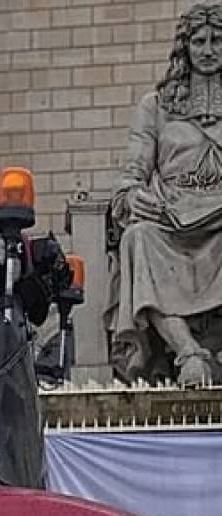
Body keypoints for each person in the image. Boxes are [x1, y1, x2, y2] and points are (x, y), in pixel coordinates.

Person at [108, 3, 222, 386]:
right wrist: (133, 197)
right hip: (172, 219)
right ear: (185, 47)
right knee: (138, 237)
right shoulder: (156, 107)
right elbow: (131, 176)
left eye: (217, 40)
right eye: (199, 40)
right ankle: (188, 352)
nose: (207, 49)